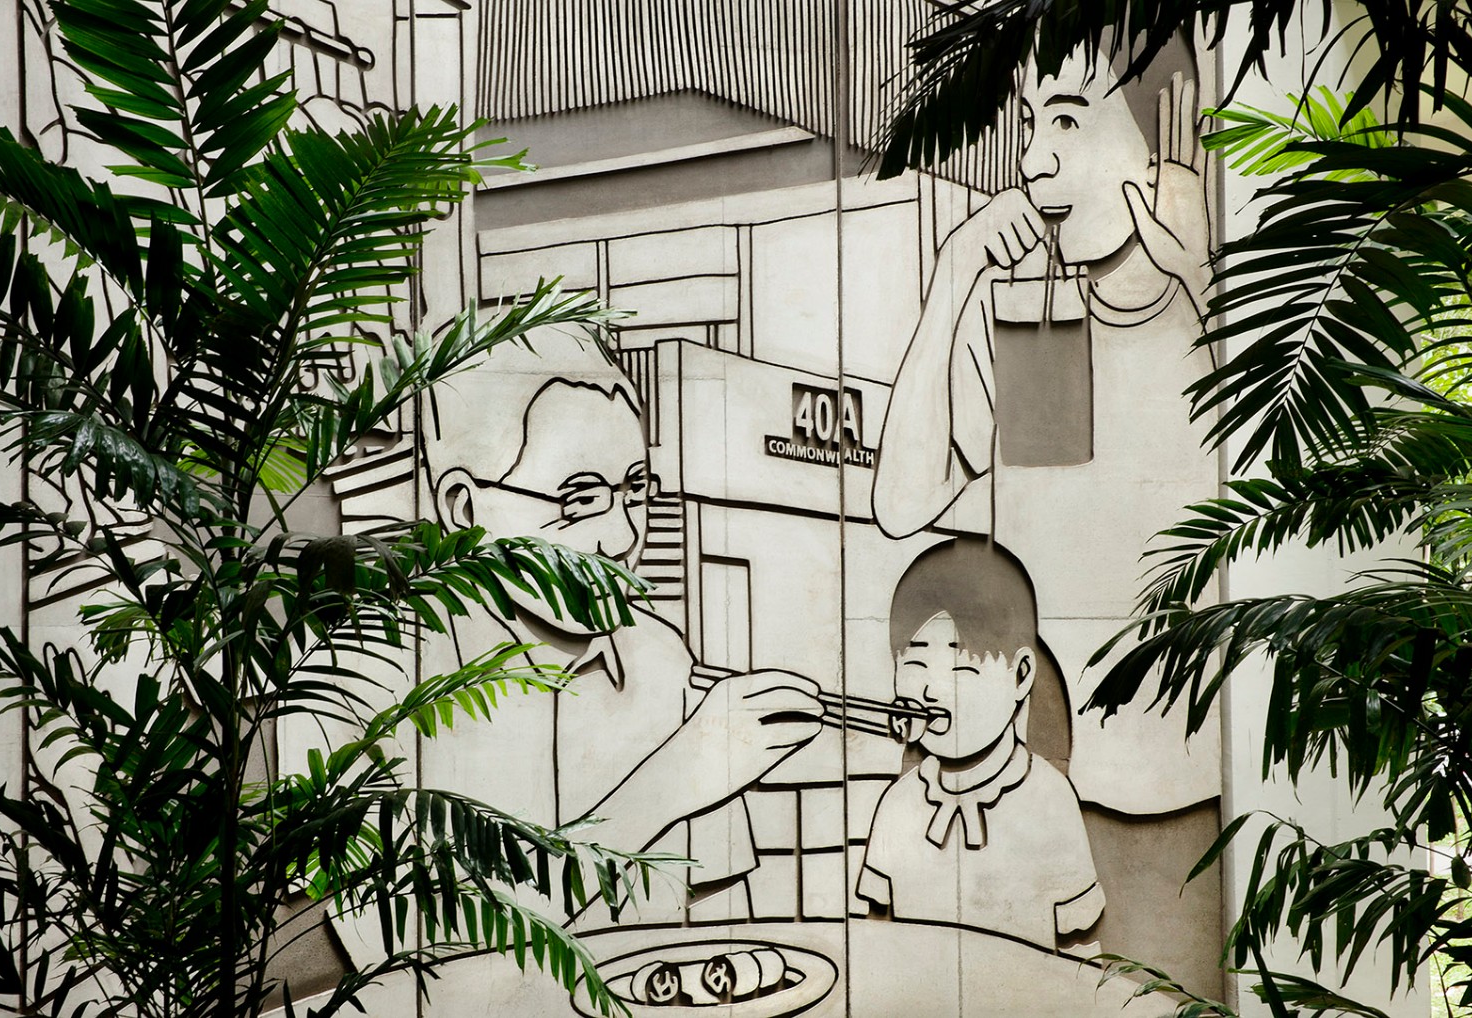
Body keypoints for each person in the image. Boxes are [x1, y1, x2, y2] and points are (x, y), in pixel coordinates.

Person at [419, 328, 823, 920]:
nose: (623, 537)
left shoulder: (661, 657)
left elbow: (722, 924)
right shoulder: (382, 674)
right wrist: (672, 783)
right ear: (465, 509)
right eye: (579, 499)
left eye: (635, 490)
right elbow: (411, 945)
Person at [873, 35, 1211, 538]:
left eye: (1068, 121)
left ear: (1156, 151)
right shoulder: (1014, 301)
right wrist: (954, 268)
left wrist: (1199, 273)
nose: (1031, 163)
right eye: (1030, 122)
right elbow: (901, 508)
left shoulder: (1210, 308)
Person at [855, 538, 1103, 949]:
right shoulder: (898, 803)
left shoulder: (1049, 800)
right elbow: (877, 928)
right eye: (915, 663)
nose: (931, 690)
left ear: (1021, 675)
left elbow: (1078, 941)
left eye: (961, 666)